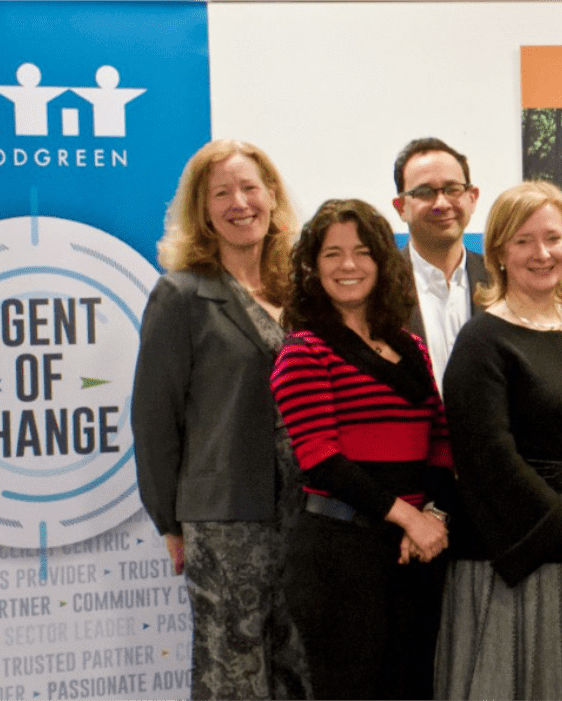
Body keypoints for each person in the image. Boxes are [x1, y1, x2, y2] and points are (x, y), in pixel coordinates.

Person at [436, 182, 562, 699]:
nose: (542, 253)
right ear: (501, 252)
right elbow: (488, 460)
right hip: (518, 567)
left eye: (554, 237)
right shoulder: (482, 340)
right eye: (524, 240)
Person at [133, 138, 307, 699]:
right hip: (227, 520)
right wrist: (169, 522)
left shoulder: (301, 292)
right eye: (222, 193)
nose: (240, 203)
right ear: (203, 212)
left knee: (299, 666)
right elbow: (155, 421)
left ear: (272, 196)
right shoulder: (180, 295)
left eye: (250, 188)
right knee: (231, 672)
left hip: (308, 513)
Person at [270, 199, 453, 700]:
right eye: (332, 254)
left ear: (381, 262)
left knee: (413, 686)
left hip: (414, 554)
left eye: (362, 252)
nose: (348, 266)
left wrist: (430, 517)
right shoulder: (304, 351)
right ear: (313, 266)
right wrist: (408, 517)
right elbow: (320, 458)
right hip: (339, 553)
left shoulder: (410, 346)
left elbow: (441, 440)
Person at [391, 137, 488, 390]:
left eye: (453, 189)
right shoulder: (378, 287)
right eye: (423, 192)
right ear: (401, 207)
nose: (442, 203)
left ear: (472, 197)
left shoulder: (504, 282)